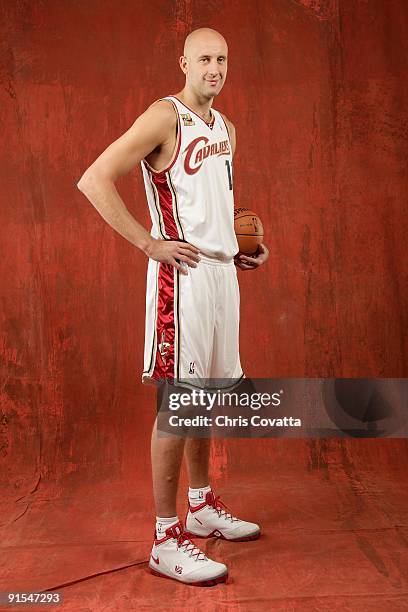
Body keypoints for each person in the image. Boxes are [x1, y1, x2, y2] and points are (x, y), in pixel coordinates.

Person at [77, 27, 269, 586]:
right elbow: (94, 179)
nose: (215, 68)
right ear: (183, 62)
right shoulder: (165, 117)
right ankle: (165, 537)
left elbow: (215, 202)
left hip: (219, 276)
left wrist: (241, 250)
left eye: (223, 59)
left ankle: (202, 505)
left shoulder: (226, 128)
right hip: (179, 279)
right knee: (178, 404)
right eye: (205, 58)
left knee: (207, 396)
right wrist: (148, 242)